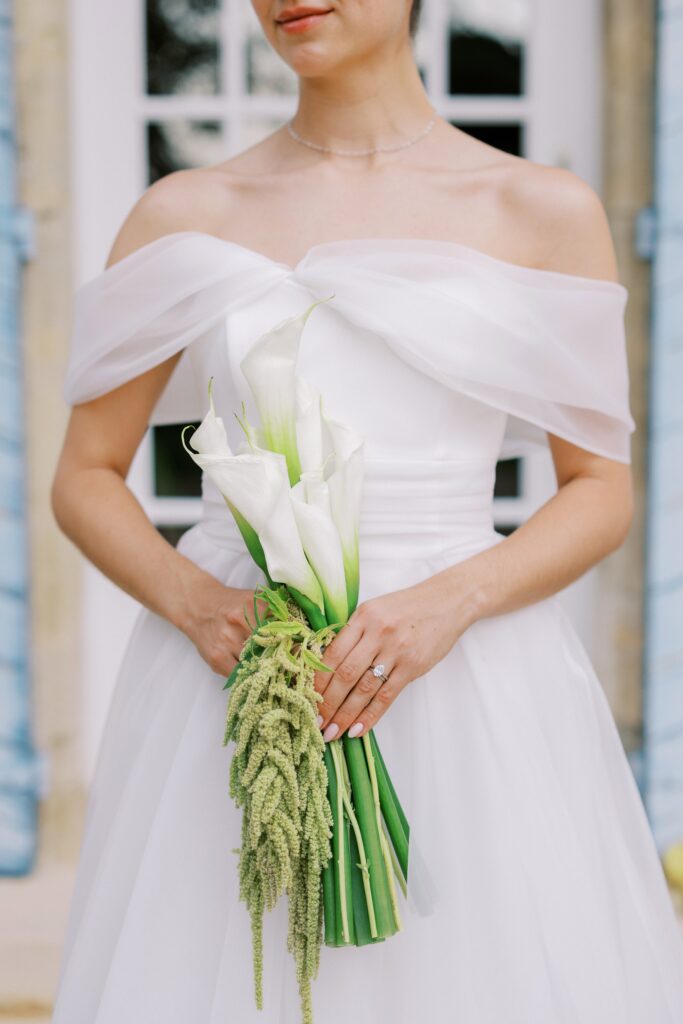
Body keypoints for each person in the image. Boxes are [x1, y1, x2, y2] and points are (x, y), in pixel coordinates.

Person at [49, 1, 683, 1021]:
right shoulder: (182, 213)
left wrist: (448, 603)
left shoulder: (540, 209)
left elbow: (599, 493)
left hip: (467, 676)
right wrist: (197, 602)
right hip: (233, 686)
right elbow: (85, 473)